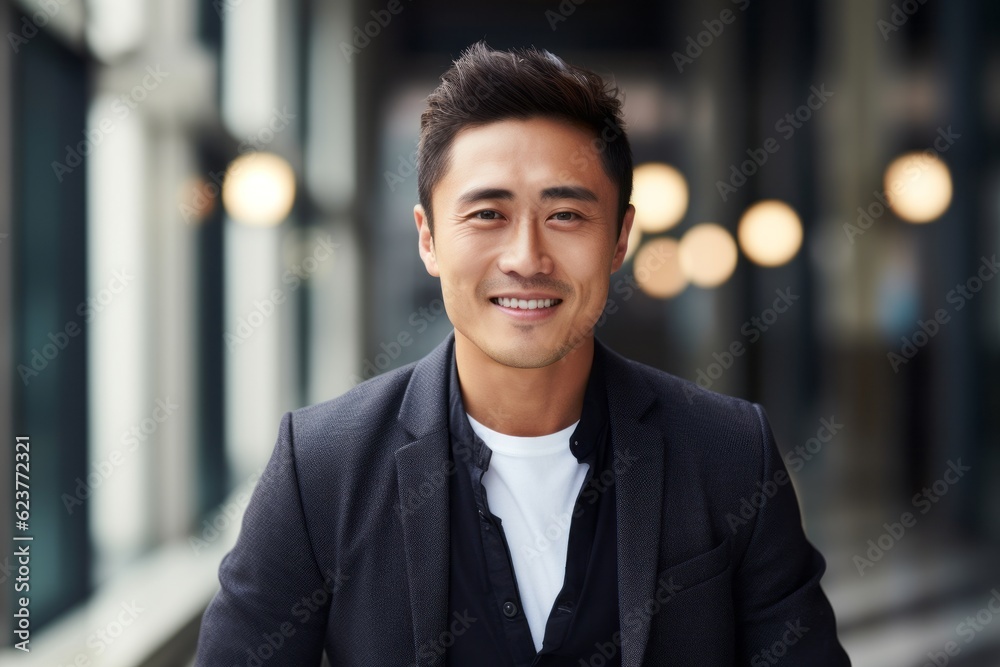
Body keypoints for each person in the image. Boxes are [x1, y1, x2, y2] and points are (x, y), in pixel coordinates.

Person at [195, 41, 851, 666]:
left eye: (565, 216)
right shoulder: (321, 468)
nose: (526, 258)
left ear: (620, 237)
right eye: (487, 214)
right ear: (428, 239)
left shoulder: (731, 453)